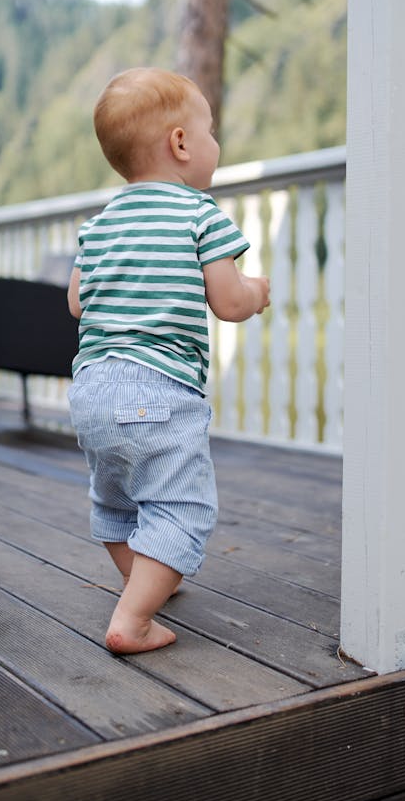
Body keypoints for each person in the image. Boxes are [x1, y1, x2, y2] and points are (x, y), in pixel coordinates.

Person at [67, 67, 270, 655]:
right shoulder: (200, 214)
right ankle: (132, 619)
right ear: (181, 143)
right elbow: (229, 302)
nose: (215, 144)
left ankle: (145, 578)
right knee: (184, 506)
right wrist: (257, 291)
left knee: (115, 501)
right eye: (209, 131)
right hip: (159, 390)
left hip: (92, 388)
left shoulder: (100, 225)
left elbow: (79, 301)